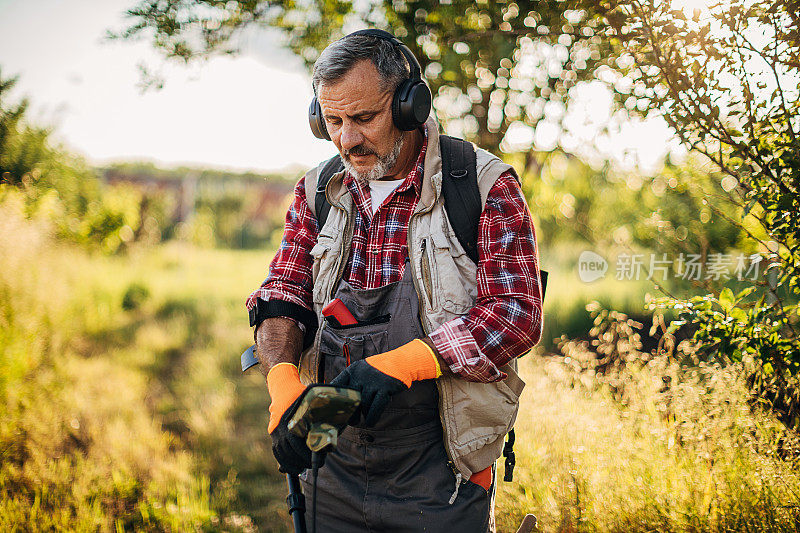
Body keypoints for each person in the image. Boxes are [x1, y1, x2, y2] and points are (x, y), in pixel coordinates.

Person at [246, 29, 543, 532]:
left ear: (409, 105)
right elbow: (282, 293)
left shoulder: (481, 186)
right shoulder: (318, 190)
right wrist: (282, 381)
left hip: (442, 469)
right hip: (330, 463)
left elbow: (515, 315)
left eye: (363, 118)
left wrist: (408, 363)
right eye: (334, 121)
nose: (347, 139)